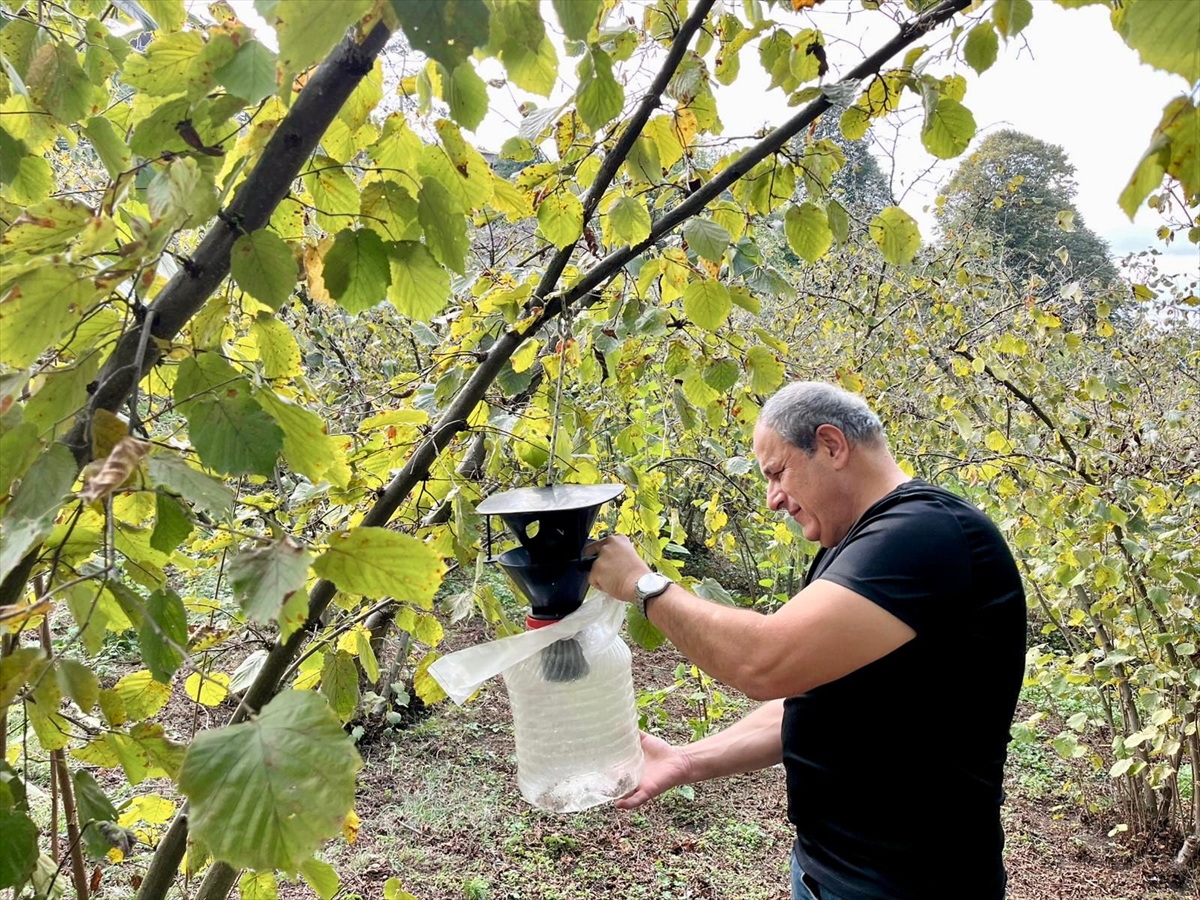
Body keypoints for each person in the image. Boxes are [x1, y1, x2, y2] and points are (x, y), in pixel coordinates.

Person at [587, 381, 1026, 900]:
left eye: (777, 473)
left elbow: (765, 661)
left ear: (832, 445)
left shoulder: (928, 532)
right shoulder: (855, 544)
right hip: (825, 873)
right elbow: (812, 699)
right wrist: (689, 760)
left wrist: (646, 586)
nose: (774, 499)